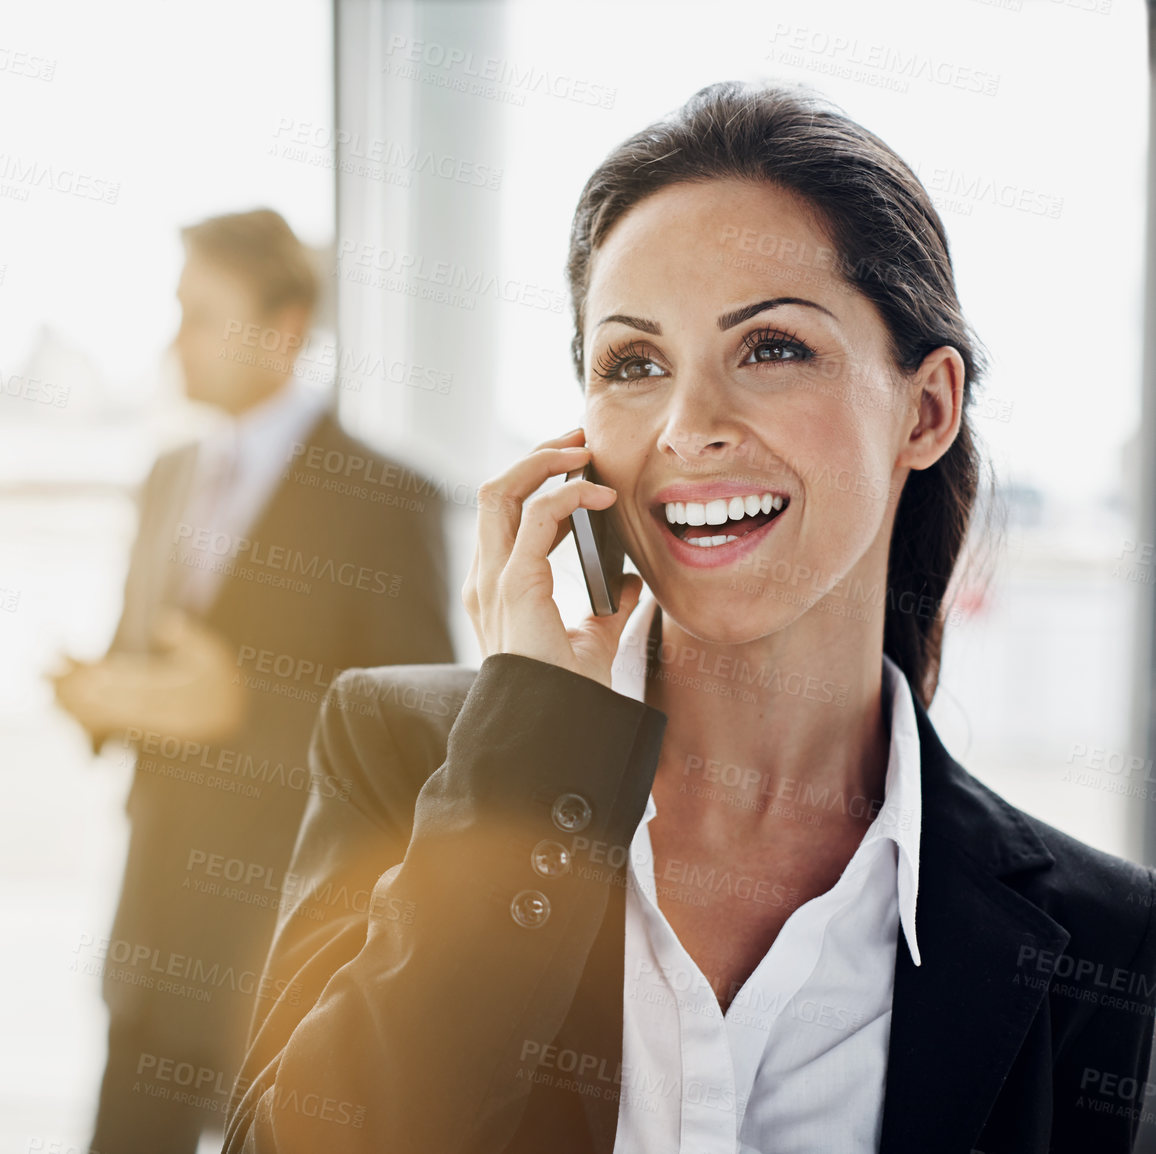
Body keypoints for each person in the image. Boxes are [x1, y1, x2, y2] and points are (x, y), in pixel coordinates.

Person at [222, 83, 1156, 1154]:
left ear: (926, 407)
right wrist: (528, 771)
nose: (687, 426)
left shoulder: (1104, 937)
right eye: (634, 364)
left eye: (770, 348)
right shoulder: (403, 755)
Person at [53, 208, 456, 1153]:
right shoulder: (166, 474)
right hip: (154, 939)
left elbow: (425, 732)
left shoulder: (386, 497)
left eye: (199, 313)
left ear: (283, 327)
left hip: (288, 948)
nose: (173, 341)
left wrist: (238, 708)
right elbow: (152, 670)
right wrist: (101, 696)